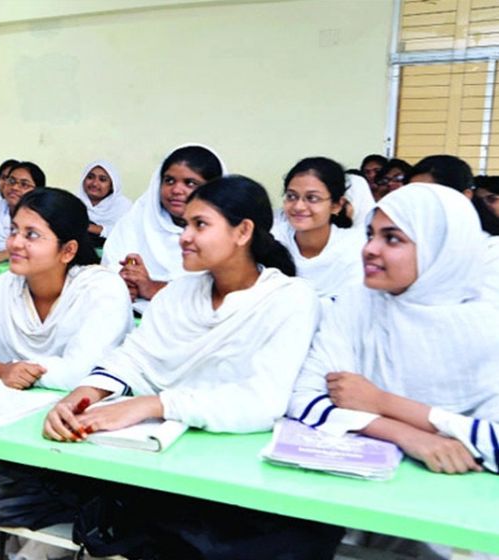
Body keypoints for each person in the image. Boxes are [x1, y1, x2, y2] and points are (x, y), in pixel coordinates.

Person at [44, 176, 340, 559]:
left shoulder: (289, 299)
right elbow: (135, 357)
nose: (185, 236)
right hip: (166, 464)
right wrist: (84, 395)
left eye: (200, 225)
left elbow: (262, 400)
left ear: (243, 231)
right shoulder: (181, 293)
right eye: (185, 224)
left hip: (245, 481)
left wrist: (153, 404)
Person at [287, 183, 499, 558]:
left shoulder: (487, 327)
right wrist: (407, 436)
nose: (369, 248)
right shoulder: (357, 304)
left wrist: (381, 401)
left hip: (459, 522)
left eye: (393, 239)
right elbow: (302, 401)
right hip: (357, 505)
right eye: (370, 234)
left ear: (440, 248)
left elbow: (495, 446)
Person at [0, 187, 132, 390]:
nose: (15, 243)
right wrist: (1, 369)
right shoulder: (7, 285)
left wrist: (12, 372)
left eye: (31, 235)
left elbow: (79, 373)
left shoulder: (102, 289)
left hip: (82, 415)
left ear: (68, 251)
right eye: (14, 230)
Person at [101, 144, 225, 314]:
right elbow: (111, 265)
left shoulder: (226, 233)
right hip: (131, 313)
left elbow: (220, 291)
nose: (176, 190)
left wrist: (153, 288)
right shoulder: (138, 218)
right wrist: (125, 283)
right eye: (169, 181)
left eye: (190, 183)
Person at [272, 157, 365, 301]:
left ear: (336, 205)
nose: (298, 206)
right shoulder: (273, 239)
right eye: (291, 196)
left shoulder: (355, 247)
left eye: (312, 198)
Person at [76, 160, 132, 248]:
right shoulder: (74, 201)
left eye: (102, 180)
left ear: (112, 186)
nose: (94, 183)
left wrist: (95, 229)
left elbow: (127, 233)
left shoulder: (123, 206)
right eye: (90, 177)